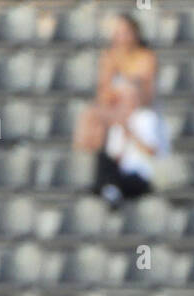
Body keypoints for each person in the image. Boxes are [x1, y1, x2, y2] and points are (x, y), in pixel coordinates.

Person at [74, 12, 157, 152]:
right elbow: (104, 90)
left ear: (135, 33)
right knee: (90, 116)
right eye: (118, 32)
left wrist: (124, 91)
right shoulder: (109, 56)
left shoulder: (146, 57)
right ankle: (93, 156)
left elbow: (144, 91)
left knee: (129, 90)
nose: (122, 37)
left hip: (137, 105)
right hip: (115, 106)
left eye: (126, 32)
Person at [92, 81, 169, 207]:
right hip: (121, 174)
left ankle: (110, 191)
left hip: (142, 175)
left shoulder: (147, 118)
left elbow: (153, 151)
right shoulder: (116, 123)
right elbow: (114, 157)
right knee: (102, 157)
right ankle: (110, 190)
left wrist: (131, 134)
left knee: (118, 181)